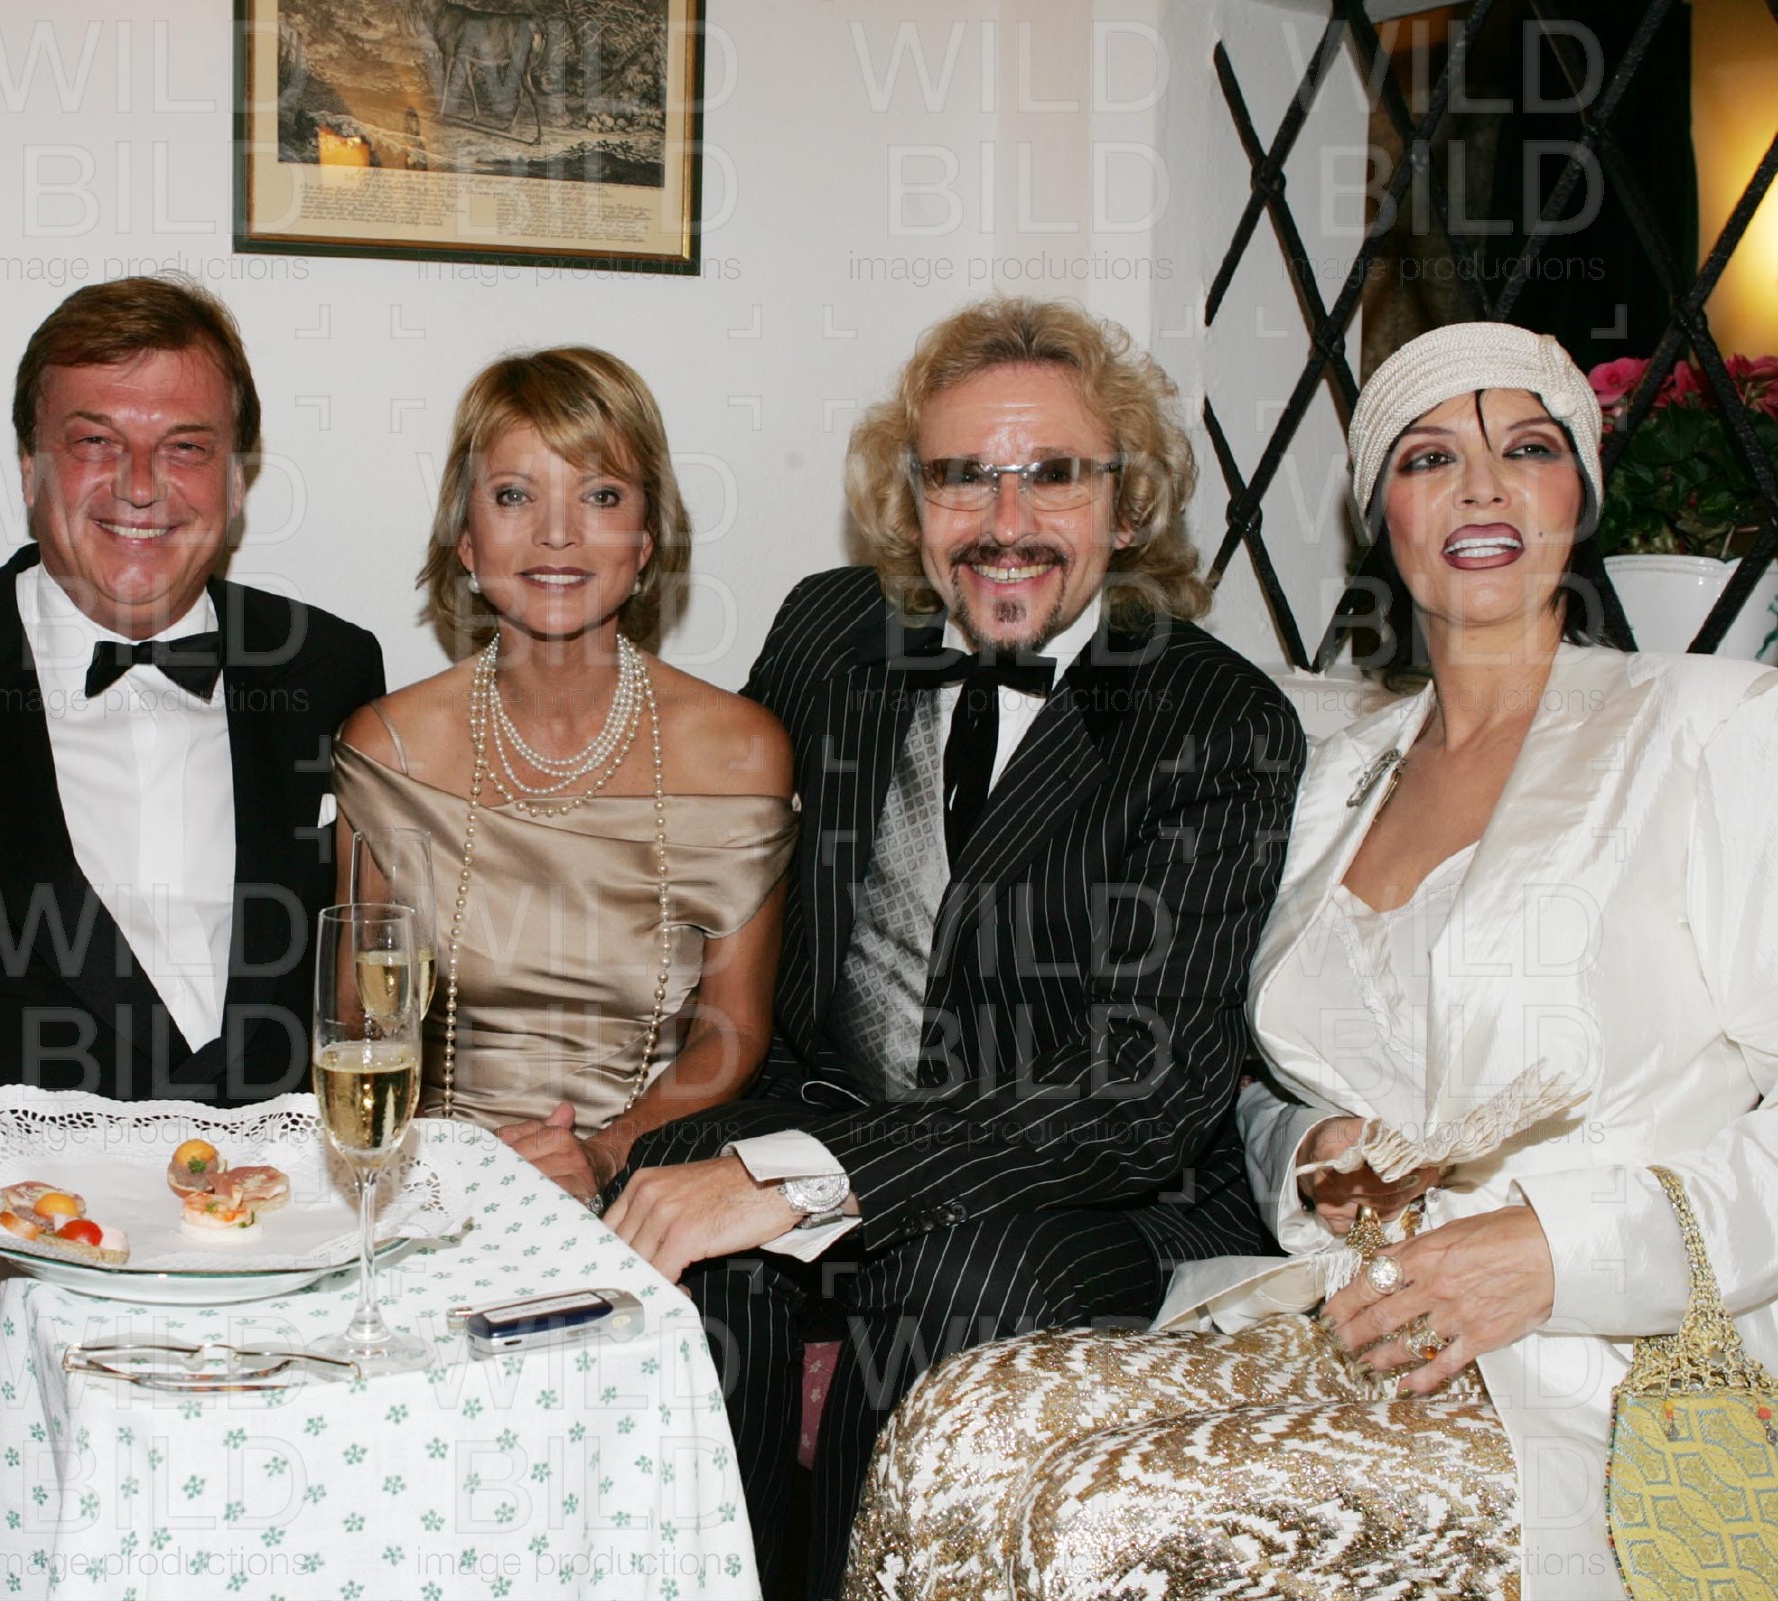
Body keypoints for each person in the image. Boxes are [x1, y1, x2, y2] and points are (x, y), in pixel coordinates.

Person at [846, 321, 1778, 1601]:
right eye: (1430, 457)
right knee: (960, 1429)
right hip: (1350, 1311)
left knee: (1101, 1518)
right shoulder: (1340, 771)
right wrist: (1312, 1150)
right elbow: (1253, 1080)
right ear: (1381, 513)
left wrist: (1556, 1249)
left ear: (1583, 491)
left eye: (1528, 448)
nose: (1483, 488)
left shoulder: (1710, 725)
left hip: (1603, 1363)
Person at [607, 297, 1307, 1596]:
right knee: (670, 1184)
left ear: (1130, 505)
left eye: (1054, 474)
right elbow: (716, 876)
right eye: (961, 477)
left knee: (956, 1272)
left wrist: (810, 1178)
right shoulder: (832, 632)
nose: (1003, 521)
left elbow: (1142, 1090)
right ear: (912, 501)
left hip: (1095, 1183)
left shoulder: (1217, 721)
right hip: (842, 1096)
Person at [0, 275, 386, 1600]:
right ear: (31, 464)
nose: (141, 485)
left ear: (238, 473)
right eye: (95, 441)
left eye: (186, 446)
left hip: (281, 1293)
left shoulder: (333, 671)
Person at [330, 346, 795, 1201]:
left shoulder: (740, 753)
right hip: (429, 1189)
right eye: (514, 495)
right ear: (465, 537)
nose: (556, 532)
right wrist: (443, 1181)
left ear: (646, 537)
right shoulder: (389, 749)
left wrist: (606, 1154)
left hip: (647, 1188)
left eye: (601, 495)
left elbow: (731, 1032)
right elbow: (361, 1022)